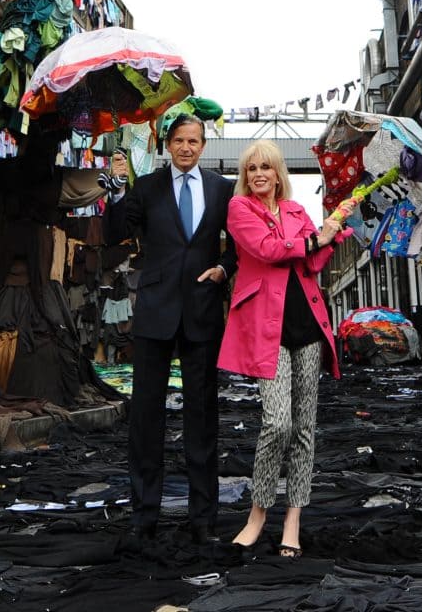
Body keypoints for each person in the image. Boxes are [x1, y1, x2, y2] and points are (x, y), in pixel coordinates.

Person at [219, 140, 356, 558]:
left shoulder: (297, 212)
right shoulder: (240, 209)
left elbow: (311, 263)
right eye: (252, 168)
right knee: (277, 423)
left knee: (303, 428)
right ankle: (258, 512)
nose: (259, 174)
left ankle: (293, 517)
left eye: (266, 167)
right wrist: (316, 241)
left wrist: (333, 229)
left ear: (279, 173)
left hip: (308, 326)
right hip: (266, 327)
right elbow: (268, 250)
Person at [104, 114, 235, 545]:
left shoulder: (222, 189)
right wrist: (118, 186)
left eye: (193, 141)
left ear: (202, 145)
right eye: (178, 140)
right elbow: (113, 233)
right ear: (167, 143)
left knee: (202, 420)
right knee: (145, 417)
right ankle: (144, 516)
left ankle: (204, 520)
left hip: (201, 312)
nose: (185, 147)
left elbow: (237, 247)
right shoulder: (147, 187)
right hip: (155, 312)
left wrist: (222, 268)